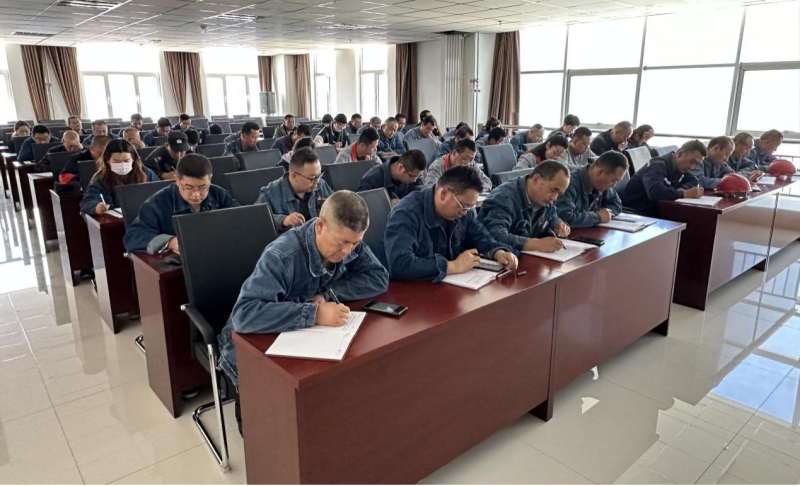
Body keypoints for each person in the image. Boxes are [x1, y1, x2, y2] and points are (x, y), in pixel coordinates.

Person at [217, 191, 390, 416]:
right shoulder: (282, 255)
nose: (348, 251)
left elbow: (379, 277)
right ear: (320, 226)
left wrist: (328, 294)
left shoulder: (350, 240)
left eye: (356, 243)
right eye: (343, 242)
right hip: (251, 342)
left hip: (303, 338)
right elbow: (244, 315)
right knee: (279, 413)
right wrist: (314, 314)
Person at [384, 165, 518, 281]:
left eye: (469, 207)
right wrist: (452, 266)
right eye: (463, 206)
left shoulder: (462, 210)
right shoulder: (406, 213)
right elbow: (399, 264)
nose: (465, 212)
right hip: (412, 291)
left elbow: (479, 235)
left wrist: (498, 252)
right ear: (444, 194)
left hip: (450, 284)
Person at [123, 154, 240, 254]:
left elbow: (240, 219)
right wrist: (170, 242)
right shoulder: (158, 203)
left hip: (216, 253)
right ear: (177, 180)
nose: (196, 194)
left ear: (210, 179)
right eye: (188, 187)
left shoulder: (218, 194)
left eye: (202, 187)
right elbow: (133, 237)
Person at [478, 160, 571, 255]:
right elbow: (494, 235)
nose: (554, 198)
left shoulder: (543, 198)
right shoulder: (504, 197)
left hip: (526, 257)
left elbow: (552, 216)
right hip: (499, 258)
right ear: (536, 179)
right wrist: (536, 244)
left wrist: (557, 224)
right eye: (554, 190)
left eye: (559, 193)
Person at [621, 140, 706, 217]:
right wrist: (684, 193)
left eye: (696, 164)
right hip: (636, 212)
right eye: (692, 162)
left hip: (657, 209)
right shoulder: (657, 165)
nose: (692, 167)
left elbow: (693, 180)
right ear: (680, 154)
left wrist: (682, 188)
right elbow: (654, 191)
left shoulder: (679, 167)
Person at [256, 146, 333, 230]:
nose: (317, 181)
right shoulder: (270, 193)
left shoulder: (320, 183)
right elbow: (256, 218)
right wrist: (283, 220)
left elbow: (336, 205)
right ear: (294, 176)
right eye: (312, 178)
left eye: (319, 176)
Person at [80, 139, 160, 215]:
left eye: (126, 161)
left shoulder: (145, 172)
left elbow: (160, 190)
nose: (122, 164)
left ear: (133, 159)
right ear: (107, 160)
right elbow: (87, 201)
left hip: (144, 215)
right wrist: (96, 207)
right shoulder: (101, 178)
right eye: (116, 161)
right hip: (116, 220)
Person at [555, 151, 627, 228]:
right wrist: (597, 217)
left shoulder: (602, 184)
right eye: (613, 181)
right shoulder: (569, 184)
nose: (614, 185)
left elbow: (616, 204)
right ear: (600, 172)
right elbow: (564, 218)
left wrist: (598, 214)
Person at [357, 149, 426, 205]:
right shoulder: (373, 178)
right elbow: (359, 203)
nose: (414, 180)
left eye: (418, 176)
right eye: (412, 176)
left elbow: (421, 196)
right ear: (400, 167)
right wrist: (385, 204)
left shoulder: (414, 172)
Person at [425, 139, 492, 193]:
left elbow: (487, 182)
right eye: (465, 158)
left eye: (471, 160)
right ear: (454, 153)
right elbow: (429, 189)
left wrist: (473, 190)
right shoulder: (437, 166)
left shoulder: (471, 164)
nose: (468, 163)